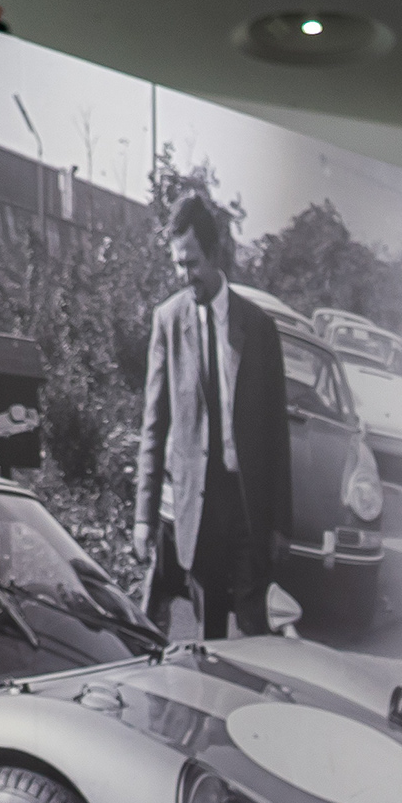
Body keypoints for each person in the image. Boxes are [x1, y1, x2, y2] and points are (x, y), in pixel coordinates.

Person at [136, 194, 292, 643]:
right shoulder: (168, 321)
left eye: (191, 263)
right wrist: (144, 516)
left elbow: (276, 434)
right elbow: (154, 426)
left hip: (246, 504)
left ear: (215, 254)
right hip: (199, 506)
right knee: (210, 635)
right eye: (177, 264)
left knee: (254, 632)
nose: (184, 276)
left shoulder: (258, 329)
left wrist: (281, 522)